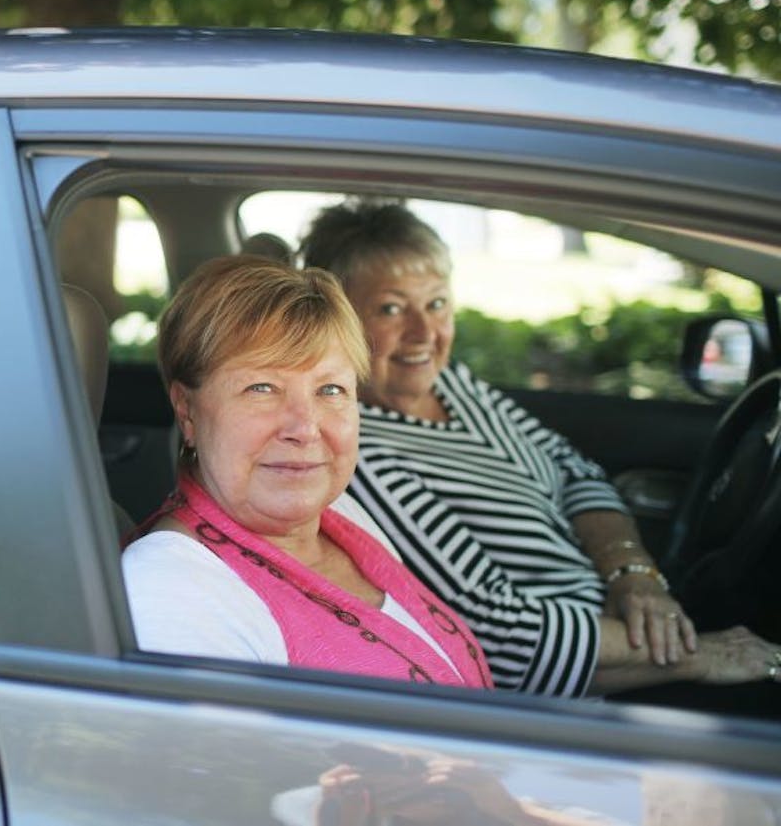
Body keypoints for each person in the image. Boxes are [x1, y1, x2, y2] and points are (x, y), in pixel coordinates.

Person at [300, 199, 781, 696]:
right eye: (391, 308)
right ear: (341, 321)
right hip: (587, 690)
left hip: (633, 632)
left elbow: (577, 473)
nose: (424, 333)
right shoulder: (364, 454)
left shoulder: (454, 385)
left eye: (437, 303)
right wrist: (699, 654)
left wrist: (632, 576)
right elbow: (497, 632)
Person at [122, 254, 493, 688]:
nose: (305, 427)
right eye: (262, 388)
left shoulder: (344, 515)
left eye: (330, 389)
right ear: (187, 411)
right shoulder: (171, 590)